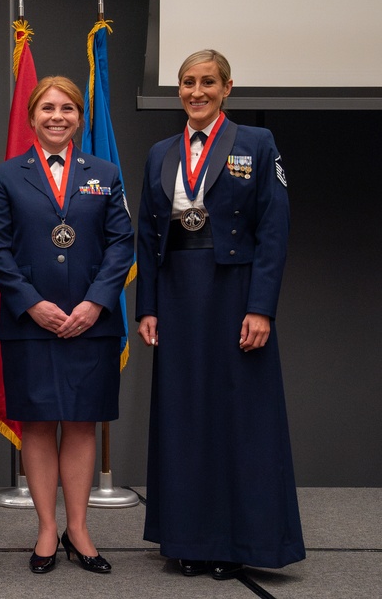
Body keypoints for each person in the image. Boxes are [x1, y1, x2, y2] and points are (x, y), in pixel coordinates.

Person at [136, 50, 305, 580]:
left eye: (208, 82)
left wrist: (261, 308)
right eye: (188, 82)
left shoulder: (258, 144)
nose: (196, 91)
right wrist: (148, 308)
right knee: (184, 416)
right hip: (179, 294)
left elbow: (274, 231)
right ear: (178, 91)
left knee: (238, 417)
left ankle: (236, 542)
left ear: (228, 88)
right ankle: (188, 539)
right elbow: (146, 235)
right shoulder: (160, 153)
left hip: (234, 291)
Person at [0, 76, 133, 575]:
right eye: (47, 108)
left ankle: (79, 528)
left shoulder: (105, 173)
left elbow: (121, 245)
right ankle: (48, 528)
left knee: (83, 423)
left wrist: (95, 304)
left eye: (67, 108)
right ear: (31, 117)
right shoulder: (4, 176)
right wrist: (31, 304)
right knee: (39, 423)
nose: (57, 116)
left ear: (79, 118)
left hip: (92, 323)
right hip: (31, 322)